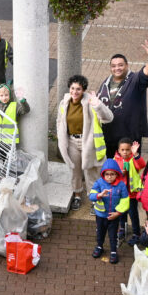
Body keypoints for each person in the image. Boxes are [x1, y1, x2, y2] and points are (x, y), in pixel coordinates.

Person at [57, 75, 113, 211]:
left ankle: (94, 199)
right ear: (69, 88)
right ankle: (77, 195)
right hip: (71, 142)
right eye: (72, 88)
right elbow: (60, 121)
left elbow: (108, 118)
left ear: (83, 90)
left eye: (78, 89)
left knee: (91, 171)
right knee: (75, 171)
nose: (75, 92)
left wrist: (98, 104)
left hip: (89, 142)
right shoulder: (64, 102)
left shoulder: (90, 102)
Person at [97, 41, 148, 156]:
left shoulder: (135, 80)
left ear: (127, 65)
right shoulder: (106, 82)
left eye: (120, 65)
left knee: (127, 169)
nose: (117, 68)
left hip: (128, 139)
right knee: (111, 169)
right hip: (108, 136)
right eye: (114, 66)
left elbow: (146, 73)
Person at [89, 159, 129, 264]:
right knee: (100, 233)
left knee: (113, 235)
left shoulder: (121, 185)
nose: (109, 176)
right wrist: (99, 195)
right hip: (100, 215)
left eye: (112, 174)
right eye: (107, 174)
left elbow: (125, 201)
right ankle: (99, 246)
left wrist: (118, 213)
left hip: (114, 217)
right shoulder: (99, 183)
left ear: (117, 174)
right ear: (103, 174)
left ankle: (113, 252)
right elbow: (91, 196)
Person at [0, 84, 28, 162]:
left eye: (6, 95)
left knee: (6, 161)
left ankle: (3, 173)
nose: (4, 98)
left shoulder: (15, 106)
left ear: (10, 95)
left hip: (9, 141)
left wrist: (22, 100)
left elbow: (25, 110)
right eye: (1, 95)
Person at [115, 139, 146, 243]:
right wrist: (120, 173)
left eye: (128, 150)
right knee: (122, 211)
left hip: (132, 194)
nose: (125, 152)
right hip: (121, 194)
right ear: (118, 150)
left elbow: (142, 165)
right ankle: (122, 228)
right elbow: (111, 174)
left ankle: (136, 233)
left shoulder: (133, 159)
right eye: (122, 150)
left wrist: (136, 154)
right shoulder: (116, 160)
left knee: (133, 214)